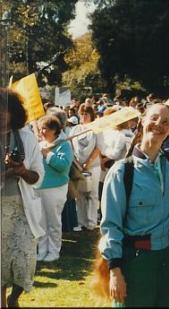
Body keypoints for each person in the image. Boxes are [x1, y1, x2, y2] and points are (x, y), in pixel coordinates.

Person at [97, 103, 169, 307]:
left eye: (165, 122)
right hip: (135, 261)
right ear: (142, 121)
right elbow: (110, 225)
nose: (158, 125)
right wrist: (115, 270)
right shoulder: (122, 172)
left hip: (168, 261)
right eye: (153, 118)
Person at [1, 88, 45, 308]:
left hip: (22, 210)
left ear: (14, 112)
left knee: (25, 260)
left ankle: (13, 298)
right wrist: (7, 173)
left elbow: (38, 176)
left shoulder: (27, 137)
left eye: (5, 109)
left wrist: (22, 171)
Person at [36, 115, 73, 262]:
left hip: (55, 189)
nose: (42, 131)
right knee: (41, 222)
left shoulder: (64, 145)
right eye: (41, 128)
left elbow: (63, 166)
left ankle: (54, 251)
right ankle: (42, 250)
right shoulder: (40, 144)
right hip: (39, 187)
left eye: (44, 128)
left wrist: (48, 155)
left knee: (53, 221)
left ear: (54, 130)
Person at [69, 103, 104, 231]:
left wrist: (87, 163)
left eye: (86, 114)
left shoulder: (96, 129)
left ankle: (91, 222)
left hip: (93, 166)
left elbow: (98, 148)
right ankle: (81, 221)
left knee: (92, 194)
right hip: (78, 166)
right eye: (82, 114)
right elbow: (71, 146)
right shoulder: (75, 129)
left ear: (91, 115)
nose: (84, 116)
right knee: (80, 194)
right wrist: (77, 163)